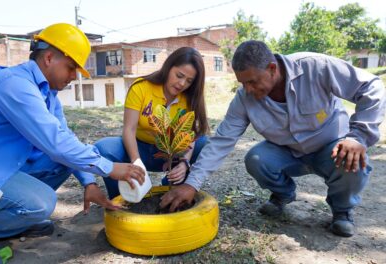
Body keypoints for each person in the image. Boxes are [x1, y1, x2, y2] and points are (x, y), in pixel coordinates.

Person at [0, 23, 145, 262]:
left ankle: (10, 221)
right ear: (49, 58)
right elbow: (56, 144)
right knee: (41, 204)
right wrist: (111, 168)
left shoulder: (47, 95)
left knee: (61, 164)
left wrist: (89, 183)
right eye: (71, 68)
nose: (74, 77)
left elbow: (66, 139)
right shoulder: (15, 84)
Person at [160, 40, 386, 237]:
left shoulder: (315, 67)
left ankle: (342, 210)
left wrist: (358, 136)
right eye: (242, 83)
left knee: (351, 159)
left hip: (331, 149)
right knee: (256, 158)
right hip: (287, 153)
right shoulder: (244, 98)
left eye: (253, 81)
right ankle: (283, 194)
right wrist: (192, 184)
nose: (247, 89)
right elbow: (222, 141)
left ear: (271, 68)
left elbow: (372, 87)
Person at [95, 47, 209, 199]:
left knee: (204, 143)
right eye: (179, 75)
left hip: (169, 154)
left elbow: (191, 135)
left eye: (189, 81)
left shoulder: (189, 98)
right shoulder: (141, 87)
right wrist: (136, 162)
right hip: (138, 148)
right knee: (103, 148)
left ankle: (171, 188)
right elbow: (129, 130)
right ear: (168, 68)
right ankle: (120, 198)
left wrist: (184, 163)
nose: (182, 84)